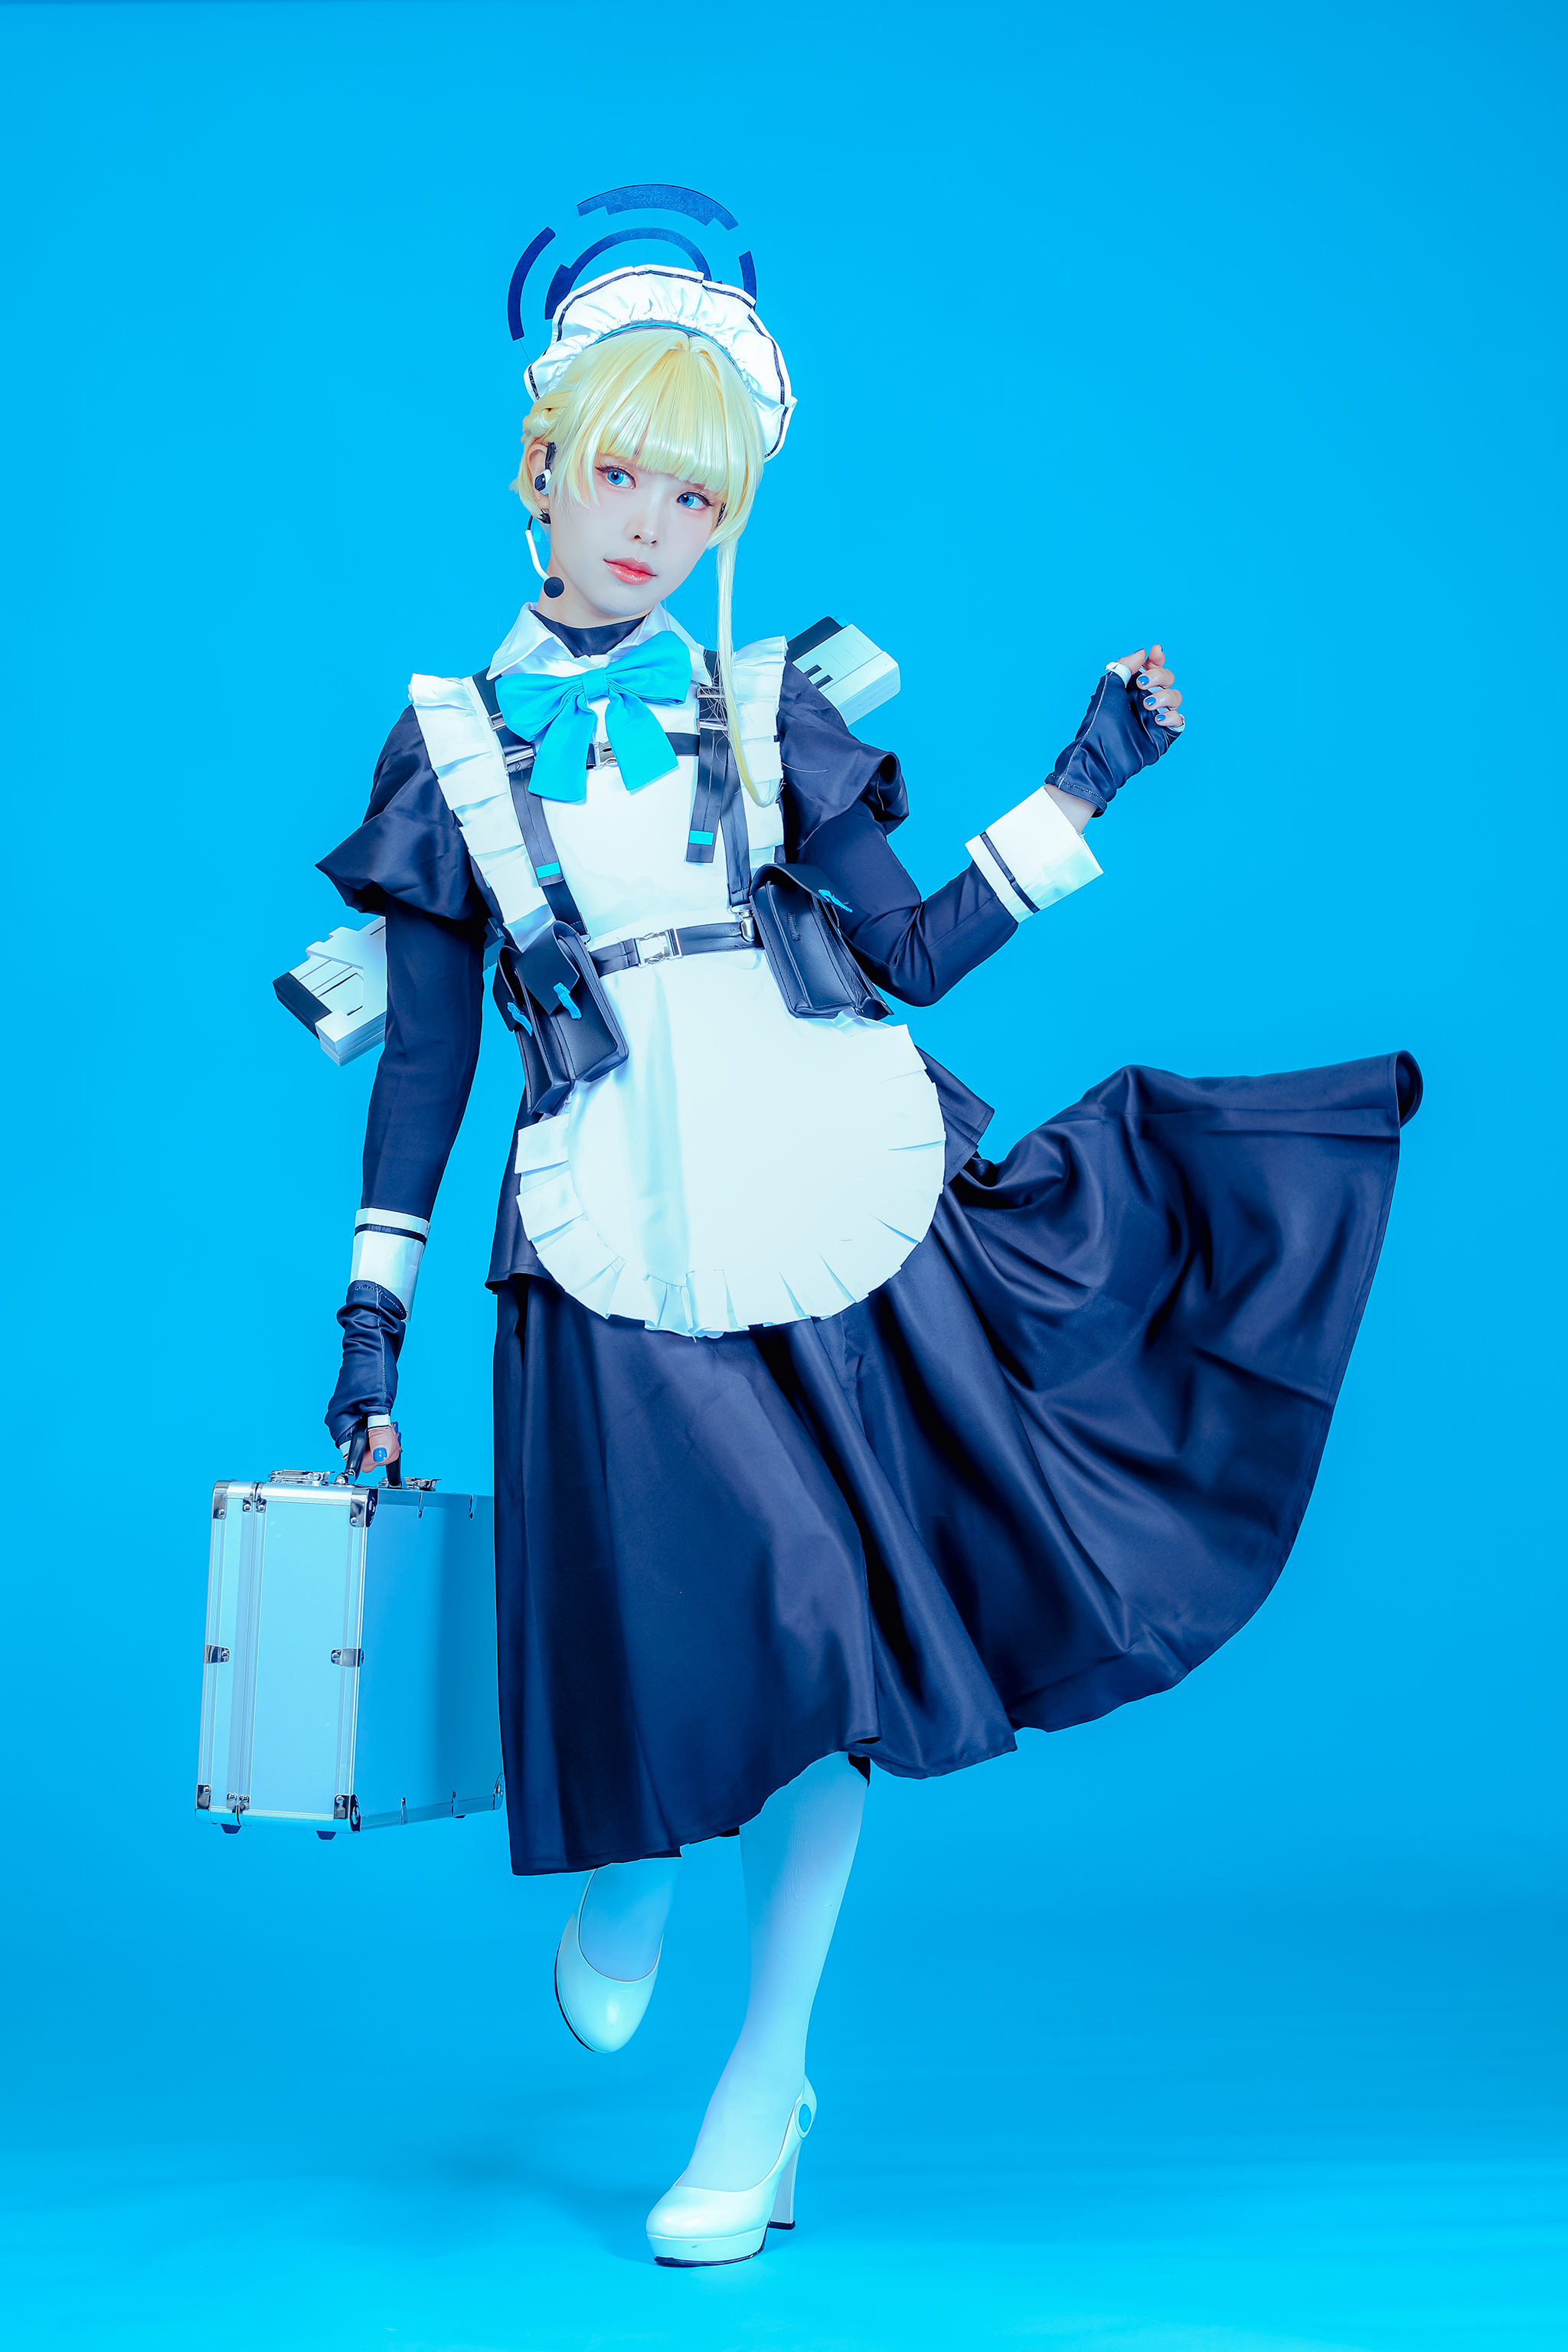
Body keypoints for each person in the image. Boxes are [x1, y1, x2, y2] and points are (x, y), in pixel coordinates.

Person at [316, 263, 1419, 2267]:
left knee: (830, 1640)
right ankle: (639, 1858)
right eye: (623, 477)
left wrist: (1082, 782)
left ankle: (764, 2092)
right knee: (680, 1623)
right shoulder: (448, 747)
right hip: (606, 1216)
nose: (653, 525)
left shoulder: (764, 708)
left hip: (817, 1181)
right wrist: (370, 1314)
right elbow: (426, 1059)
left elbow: (906, 955)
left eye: (698, 497)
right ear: (541, 470)